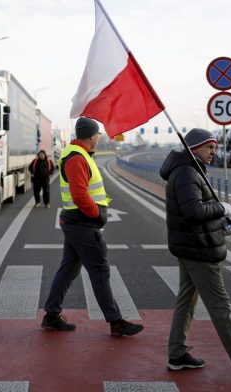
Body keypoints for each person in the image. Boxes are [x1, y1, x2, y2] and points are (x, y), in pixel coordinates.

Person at [159, 128, 231, 376]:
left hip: (192, 245)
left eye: (214, 147)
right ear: (195, 148)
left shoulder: (188, 171)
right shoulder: (186, 173)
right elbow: (193, 212)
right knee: (220, 304)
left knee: (186, 301)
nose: (214, 152)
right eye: (209, 147)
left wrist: (220, 225)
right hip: (199, 249)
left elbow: (195, 212)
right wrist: (221, 209)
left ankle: (177, 354)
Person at [41, 117, 143, 336]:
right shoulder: (77, 157)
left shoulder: (76, 154)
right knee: (99, 271)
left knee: (68, 269)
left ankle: (51, 315)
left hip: (75, 222)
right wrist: (96, 214)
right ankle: (115, 321)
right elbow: (79, 194)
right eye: (98, 134)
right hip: (83, 224)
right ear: (90, 136)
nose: (99, 138)